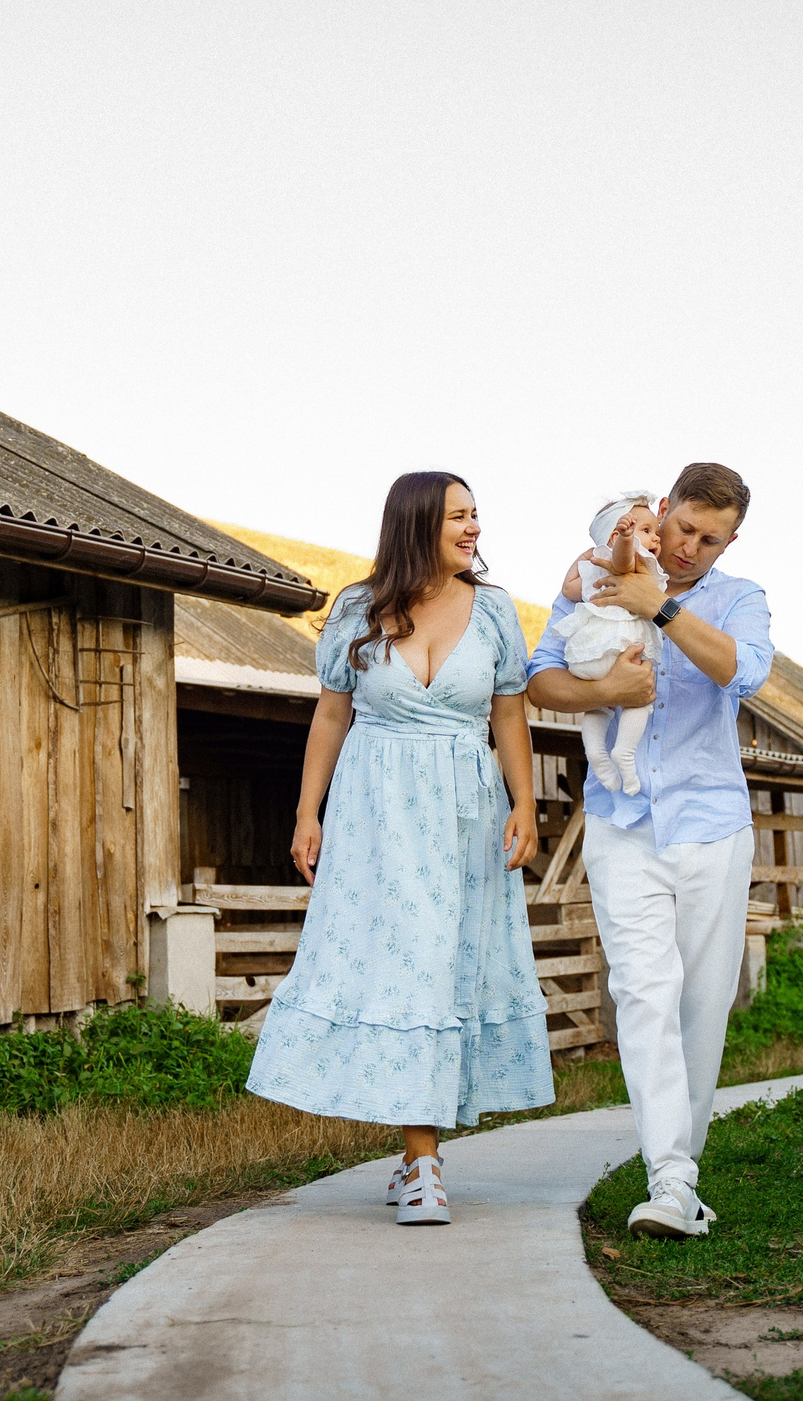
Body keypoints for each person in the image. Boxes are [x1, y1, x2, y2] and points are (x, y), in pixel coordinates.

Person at [245, 471, 553, 1227]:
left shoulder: (495, 611)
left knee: (444, 969)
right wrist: (306, 812)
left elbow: (509, 714)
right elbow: (329, 717)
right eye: (458, 517)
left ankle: (419, 1152)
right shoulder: (356, 607)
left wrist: (525, 803)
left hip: (464, 814)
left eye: (476, 514)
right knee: (402, 966)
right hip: (376, 813)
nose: (474, 528)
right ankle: (422, 1161)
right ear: (417, 524)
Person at [525, 462, 772, 1240]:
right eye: (686, 527)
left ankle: (679, 1175)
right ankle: (669, 1181)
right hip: (621, 823)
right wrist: (607, 694)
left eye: (712, 538)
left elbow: (746, 671)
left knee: (701, 1006)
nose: (693, 546)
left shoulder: (740, 599)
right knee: (642, 990)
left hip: (711, 829)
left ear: (732, 538)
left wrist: (660, 609)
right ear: (662, 510)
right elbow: (540, 679)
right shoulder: (600, 572)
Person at [549, 491, 667, 794]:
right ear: (616, 536)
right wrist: (627, 540)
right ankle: (624, 751)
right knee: (639, 697)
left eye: (655, 531)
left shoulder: (592, 568)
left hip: (588, 655)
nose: (656, 538)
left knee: (597, 708)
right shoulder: (632, 561)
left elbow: (568, 588)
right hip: (618, 647)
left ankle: (596, 752)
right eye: (647, 530)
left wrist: (584, 557)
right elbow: (624, 561)